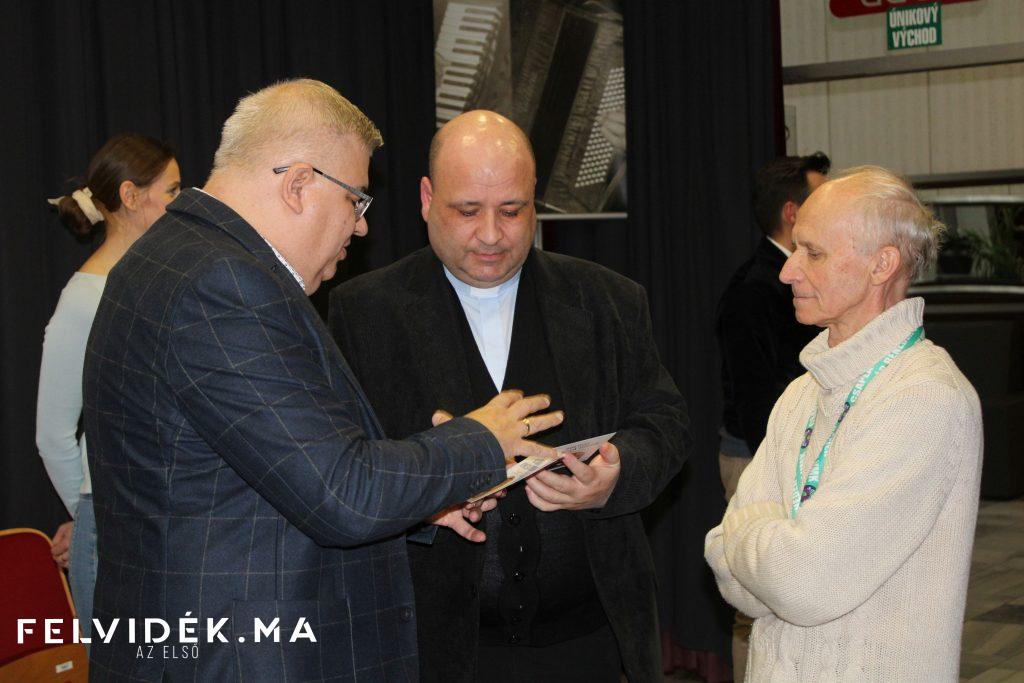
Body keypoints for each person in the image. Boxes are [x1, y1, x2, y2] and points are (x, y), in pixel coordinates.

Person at [82, 80, 562, 682]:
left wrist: (421, 505)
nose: (360, 228)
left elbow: (267, 479)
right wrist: (482, 438)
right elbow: (343, 494)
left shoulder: (171, 255)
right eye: (356, 201)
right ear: (299, 184)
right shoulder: (224, 285)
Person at [330, 110, 689, 682]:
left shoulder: (608, 300)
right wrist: (425, 499)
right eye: (468, 211)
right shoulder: (363, 313)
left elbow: (665, 421)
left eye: (513, 210)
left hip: (590, 642)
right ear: (426, 199)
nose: (492, 234)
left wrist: (618, 473)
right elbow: (344, 465)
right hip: (435, 648)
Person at [705, 166, 982, 682]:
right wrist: (773, 550)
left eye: (813, 253)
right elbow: (726, 569)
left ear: (882, 265)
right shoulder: (803, 392)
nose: (788, 271)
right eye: (795, 249)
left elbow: (802, 584)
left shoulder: (925, 398)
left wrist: (752, 535)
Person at [39, 133, 180, 644]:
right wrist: (92, 515)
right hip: (118, 529)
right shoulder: (84, 300)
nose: (181, 204)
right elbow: (53, 433)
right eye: (172, 191)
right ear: (130, 196)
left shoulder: (159, 285)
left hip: (164, 522)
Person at [714, 152, 828, 681]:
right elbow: (757, 399)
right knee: (754, 600)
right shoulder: (754, 288)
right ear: (792, 212)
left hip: (788, 454)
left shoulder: (788, 279)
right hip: (756, 458)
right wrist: (788, 464)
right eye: (820, 199)